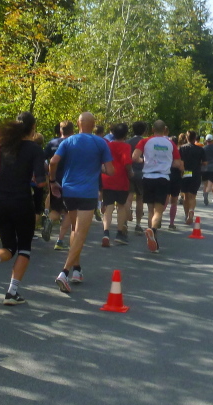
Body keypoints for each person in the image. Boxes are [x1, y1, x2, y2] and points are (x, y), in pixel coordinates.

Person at [0, 111, 45, 305]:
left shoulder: (1, 147)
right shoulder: (34, 149)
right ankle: (12, 292)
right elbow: (40, 181)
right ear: (32, 128)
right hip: (22, 202)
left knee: (8, 246)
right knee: (24, 248)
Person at [49, 111, 113, 292]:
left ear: (78, 124)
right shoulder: (100, 143)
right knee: (81, 233)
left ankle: (77, 269)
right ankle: (64, 272)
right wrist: (99, 167)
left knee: (75, 230)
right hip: (87, 192)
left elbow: (53, 162)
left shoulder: (68, 141)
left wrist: (52, 181)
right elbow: (110, 170)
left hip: (69, 191)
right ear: (93, 125)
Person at [131, 120, 183, 253]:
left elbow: (134, 157)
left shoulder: (145, 141)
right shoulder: (171, 143)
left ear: (153, 129)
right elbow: (177, 163)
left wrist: (144, 161)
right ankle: (153, 231)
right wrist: (167, 163)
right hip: (163, 177)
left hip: (148, 177)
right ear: (165, 130)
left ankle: (152, 236)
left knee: (150, 210)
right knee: (158, 211)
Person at [41, 121, 73, 249]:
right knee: (69, 211)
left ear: (60, 130)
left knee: (56, 209)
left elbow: (42, 158)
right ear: (72, 131)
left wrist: (47, 172)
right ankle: (60, 241)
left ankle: (49, 219)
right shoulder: (73, 143)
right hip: (70, 181)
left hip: (54, 180)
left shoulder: (52, 143)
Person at [101, 123, 133, 245]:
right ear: (125, 134)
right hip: (121, 180)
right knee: (121, 206)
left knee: (108, 206)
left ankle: (106, 233)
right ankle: (119, 233)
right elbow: (127, 163)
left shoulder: (108, 145)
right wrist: (131, 173)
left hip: (108, 178)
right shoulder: (126, 146)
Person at [178, 130, 206, 225]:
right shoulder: (200, 149)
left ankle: (186, 215)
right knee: (193, 195)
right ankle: (191, 212)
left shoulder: (182, 148)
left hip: (185, 173)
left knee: (185, 196)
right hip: (196, 173)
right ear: (195, 138)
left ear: (186, 138)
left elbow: (180, 162)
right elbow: (205, 162)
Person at [126, 121, 148, 236]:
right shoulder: (146, 142)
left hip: (129, 172)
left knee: (128, 197)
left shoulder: (128, 142)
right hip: (142, 172)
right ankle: (138, 224)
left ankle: (125, 221)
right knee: (140, 199)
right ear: (144, 131)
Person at [201, 134, 213, 205]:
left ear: (206, 140)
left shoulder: (203, 148)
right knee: (210, 184)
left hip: (204, 168)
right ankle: (206, 193)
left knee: (205, 184)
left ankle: (204, 194)